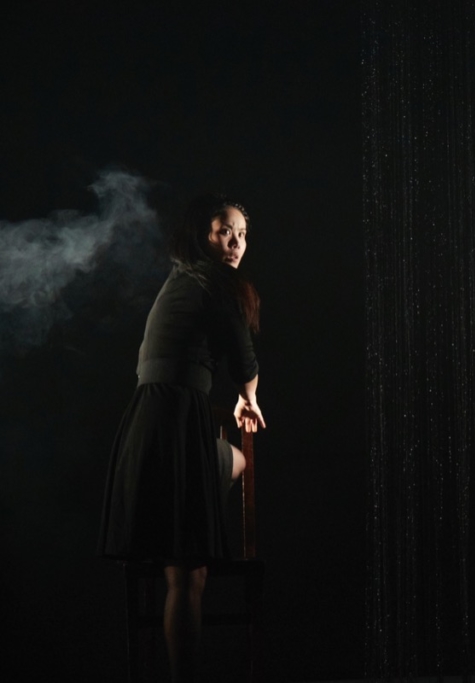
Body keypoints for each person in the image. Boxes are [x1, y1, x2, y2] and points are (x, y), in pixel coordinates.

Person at [98, 194, 267, 682]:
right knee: (188, 574)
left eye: (242, 234)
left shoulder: (181, 280)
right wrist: (249, 397)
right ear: (202, 235)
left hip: (146, 425)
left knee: (189, 561)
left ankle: (189, 524)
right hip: (173, 420)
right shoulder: (214, 282)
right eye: (224, 231)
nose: (235, 243)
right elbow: (244, 358)